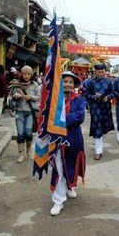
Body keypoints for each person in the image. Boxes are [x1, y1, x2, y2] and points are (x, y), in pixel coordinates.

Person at [49, 71, 86, 216]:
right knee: (57, 167)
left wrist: (60, 119)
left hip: (72, 137)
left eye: (71, 82)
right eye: (65, 81)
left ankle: (69, 186)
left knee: (70, 164)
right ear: (60, 82)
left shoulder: (79, 99)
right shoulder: (52, 99)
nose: (68, 84)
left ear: (74, 85)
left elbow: (79, 116)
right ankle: (58, 201)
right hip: (56, 138)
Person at [10, 65, 41, 163]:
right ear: (21, 74)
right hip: (19, 112)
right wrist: (15, 97)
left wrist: (30, 97)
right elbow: (11, 96)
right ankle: (21, 153)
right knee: (20, 134)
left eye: (28, 74)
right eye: (24, 74)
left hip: (30, 113)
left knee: (28, 133)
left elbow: (39, 97)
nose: (26, 76)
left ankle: (29, 148)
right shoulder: (16, 85)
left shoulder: (35, 85)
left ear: (31, 75)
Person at [84, 63, 115, 160]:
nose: (101, 74)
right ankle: (98, 151)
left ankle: (98, 143)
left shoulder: (108, 81)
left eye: (103, 72)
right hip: (95, 108)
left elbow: (113, 92)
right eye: (99, 72)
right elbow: (86, 95)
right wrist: (94, 96)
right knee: (97, 128)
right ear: (95, 72)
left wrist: (107, 97)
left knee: (104, 128)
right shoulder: (90, 82)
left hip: (105, 108)